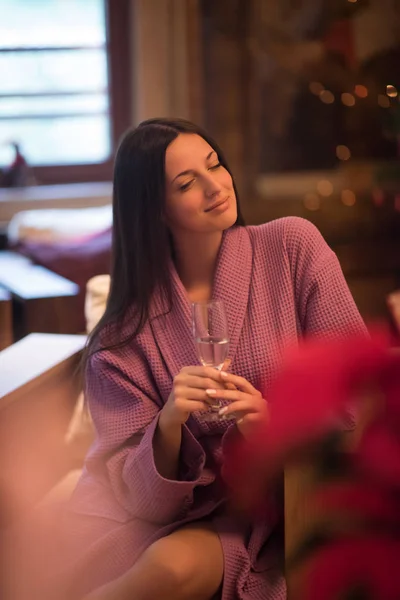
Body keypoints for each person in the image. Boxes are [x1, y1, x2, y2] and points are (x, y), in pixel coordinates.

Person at [66, 118, 366, 600]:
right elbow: (131, 488)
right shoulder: (122, 336)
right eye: (187, 183)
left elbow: (358, 390)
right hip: (171, 515)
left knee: (170, 570)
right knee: (163, 566)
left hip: (285, 499)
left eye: (215, 164)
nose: (216, 186)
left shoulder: (293, 247)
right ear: (154, 209)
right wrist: (168, 425)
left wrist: (274, 426)